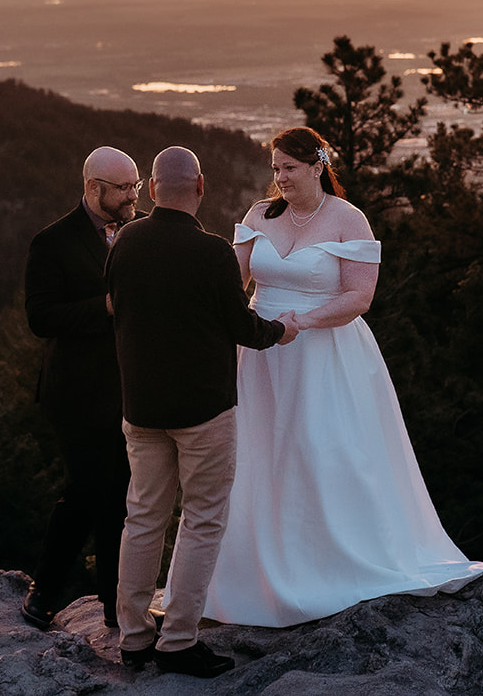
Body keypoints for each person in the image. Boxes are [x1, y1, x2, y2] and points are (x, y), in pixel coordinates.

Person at [202, 126, 483, 627]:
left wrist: (300, 324)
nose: (280, 178)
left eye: (289, 168)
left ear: (317, 167)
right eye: (275, 169)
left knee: (321, 448)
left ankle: (330, 563)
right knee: (261, 452)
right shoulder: (259, 215)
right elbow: (235, 284)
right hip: (262, 355)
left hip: (324, 353)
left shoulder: (348, 219)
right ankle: (258, 572)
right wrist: (253, 327)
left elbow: (360, 297)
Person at [108, 146, 299, 677]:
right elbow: (243, 329)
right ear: (200, 187)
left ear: (150, 190)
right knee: (201, 519)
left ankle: (133, 636)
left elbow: (116, 308)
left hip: (141, 407)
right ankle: (178, 641)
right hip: (202, 410)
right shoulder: (212, 253)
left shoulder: (125, 242)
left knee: (142, 517)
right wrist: (283, 330)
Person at [21, 145, 143, 630]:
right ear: (94, 189)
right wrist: (106, 307)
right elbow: (40, 317)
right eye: (124, 188)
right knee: (89, 489)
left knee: (123, 495)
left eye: (136, 185)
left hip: (133, 386)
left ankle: (116, 607)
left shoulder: (142, 231)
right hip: (75, 392)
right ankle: (46, 590)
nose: (134, 195)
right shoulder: (52, 242)